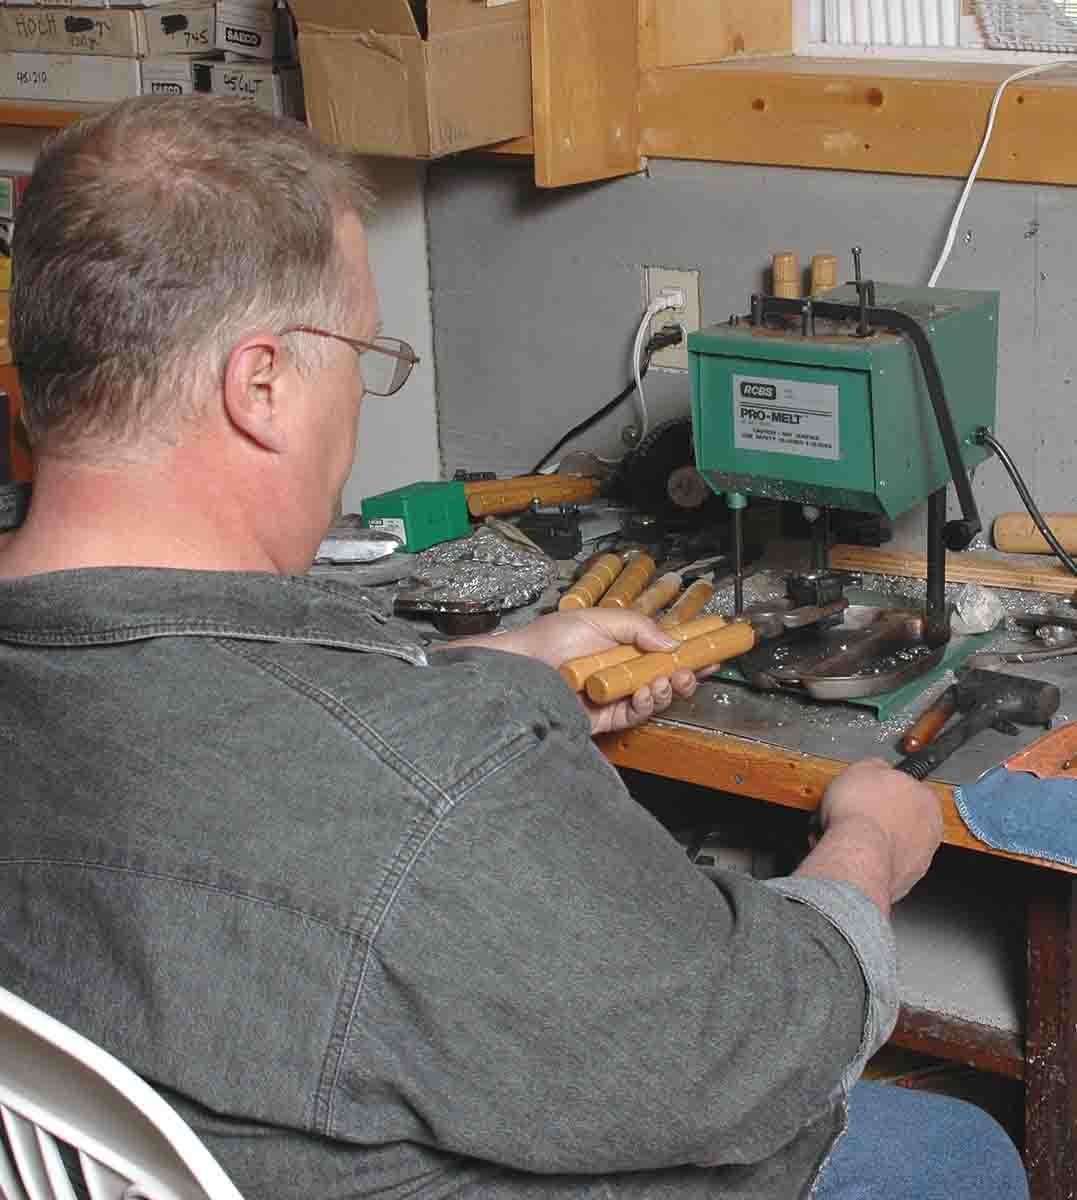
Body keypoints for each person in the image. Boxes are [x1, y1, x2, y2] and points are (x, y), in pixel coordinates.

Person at [0, 96, 1026, 1200]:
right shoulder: (426, 792)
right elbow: (749, 1055)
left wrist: (498, 675)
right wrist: (868, 847)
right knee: (950, 1148)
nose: (359, 389)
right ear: (261, 387)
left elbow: (235, 727)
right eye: (360, 351)